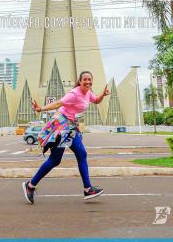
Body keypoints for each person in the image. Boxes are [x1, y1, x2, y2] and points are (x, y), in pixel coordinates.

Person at [22, 71, 109, 204]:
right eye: (85, 79)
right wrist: (40, 109)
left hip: (70, 126)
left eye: (90, 80)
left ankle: (87, 189)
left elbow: (96, 100)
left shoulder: (88, 93)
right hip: (62, 126)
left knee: (80, 154)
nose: (87, 82)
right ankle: (30, 186)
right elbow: (58, 104)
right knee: (56, 159)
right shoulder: (74, 94)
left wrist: (103, 94)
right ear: (80, 81)